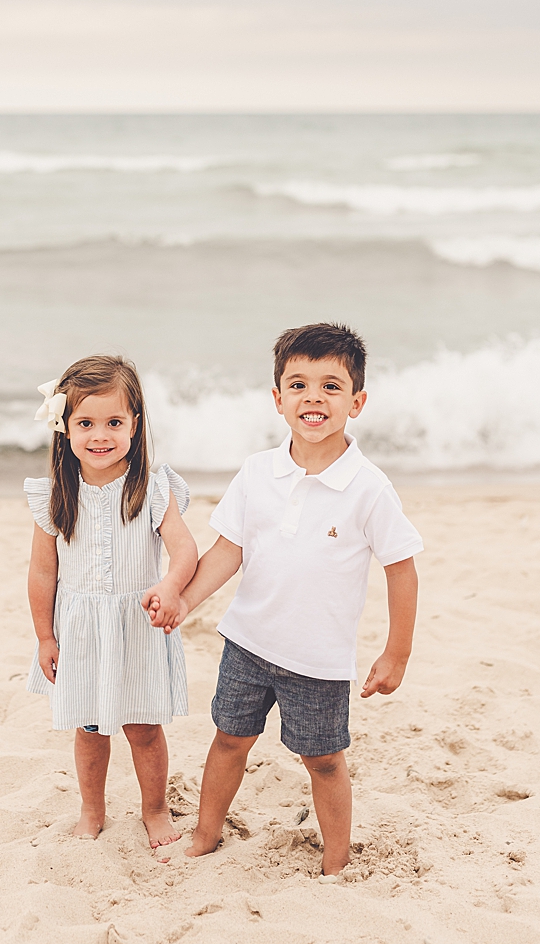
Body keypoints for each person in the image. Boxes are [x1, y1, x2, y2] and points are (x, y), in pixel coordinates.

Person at [147, 323, 422, 876]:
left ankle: (337, 860)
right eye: (298, 385)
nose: (313, 397)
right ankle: (205, 834)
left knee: (323, 761)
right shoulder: (257, 473)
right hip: (248, 643)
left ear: (357, 401)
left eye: (330, 385)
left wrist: (397, 652)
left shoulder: (369, 488)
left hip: (319, 661)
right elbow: (229, 550)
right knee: (229, 741)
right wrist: (183, 599)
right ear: (278, 399)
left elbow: (401, 568)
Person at [25, 355, 197, 851]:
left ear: (135, 425)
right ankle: (91, 809)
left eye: (114, 423)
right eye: (86, 424)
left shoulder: (151, 487)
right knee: (89, 727)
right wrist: (44, 636)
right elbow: (42, 572)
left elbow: (185, 550)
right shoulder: (56, 494)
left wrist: (170, 586)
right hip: (80, 629)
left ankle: (155, 808)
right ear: (64, 429)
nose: (100, 435)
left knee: (143, 728)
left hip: (137, 625)